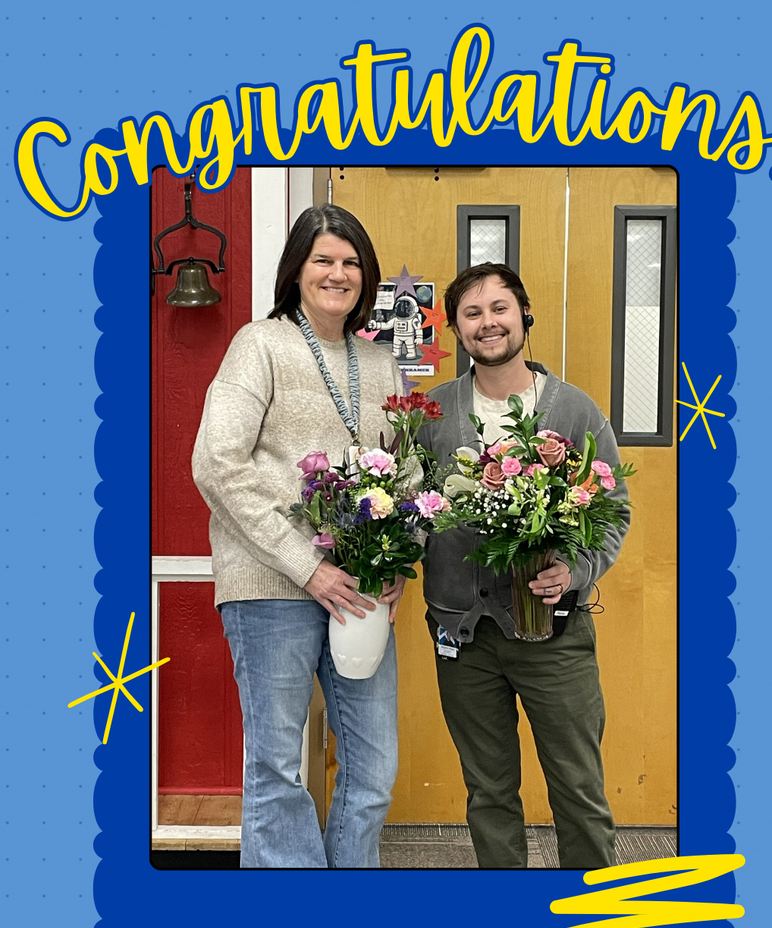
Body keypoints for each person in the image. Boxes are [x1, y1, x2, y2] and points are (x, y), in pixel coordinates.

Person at [192, 205, 405, 868]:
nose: (338, 273)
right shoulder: (259, 345)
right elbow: (215, 461)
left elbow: (404, 469)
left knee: (372, 768)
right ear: (296, 270)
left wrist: (398, 557)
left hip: (361, 591)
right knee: (278, 771)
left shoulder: (379, 362)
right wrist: (303, 564)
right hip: (270, 587)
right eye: (324, 260)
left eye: (350, 262)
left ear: (365, 278)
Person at [417, 263, 630, 870]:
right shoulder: (431, 414)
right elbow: (411, 510)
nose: (489, 323)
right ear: (457, 330)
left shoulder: (574, 411)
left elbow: (612, 509)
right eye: (473, 314)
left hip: (554, 635)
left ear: (524, 315)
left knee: (578, 791)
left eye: (500, 309)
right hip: (462, 637)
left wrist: (576, 569)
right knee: (488, 792)